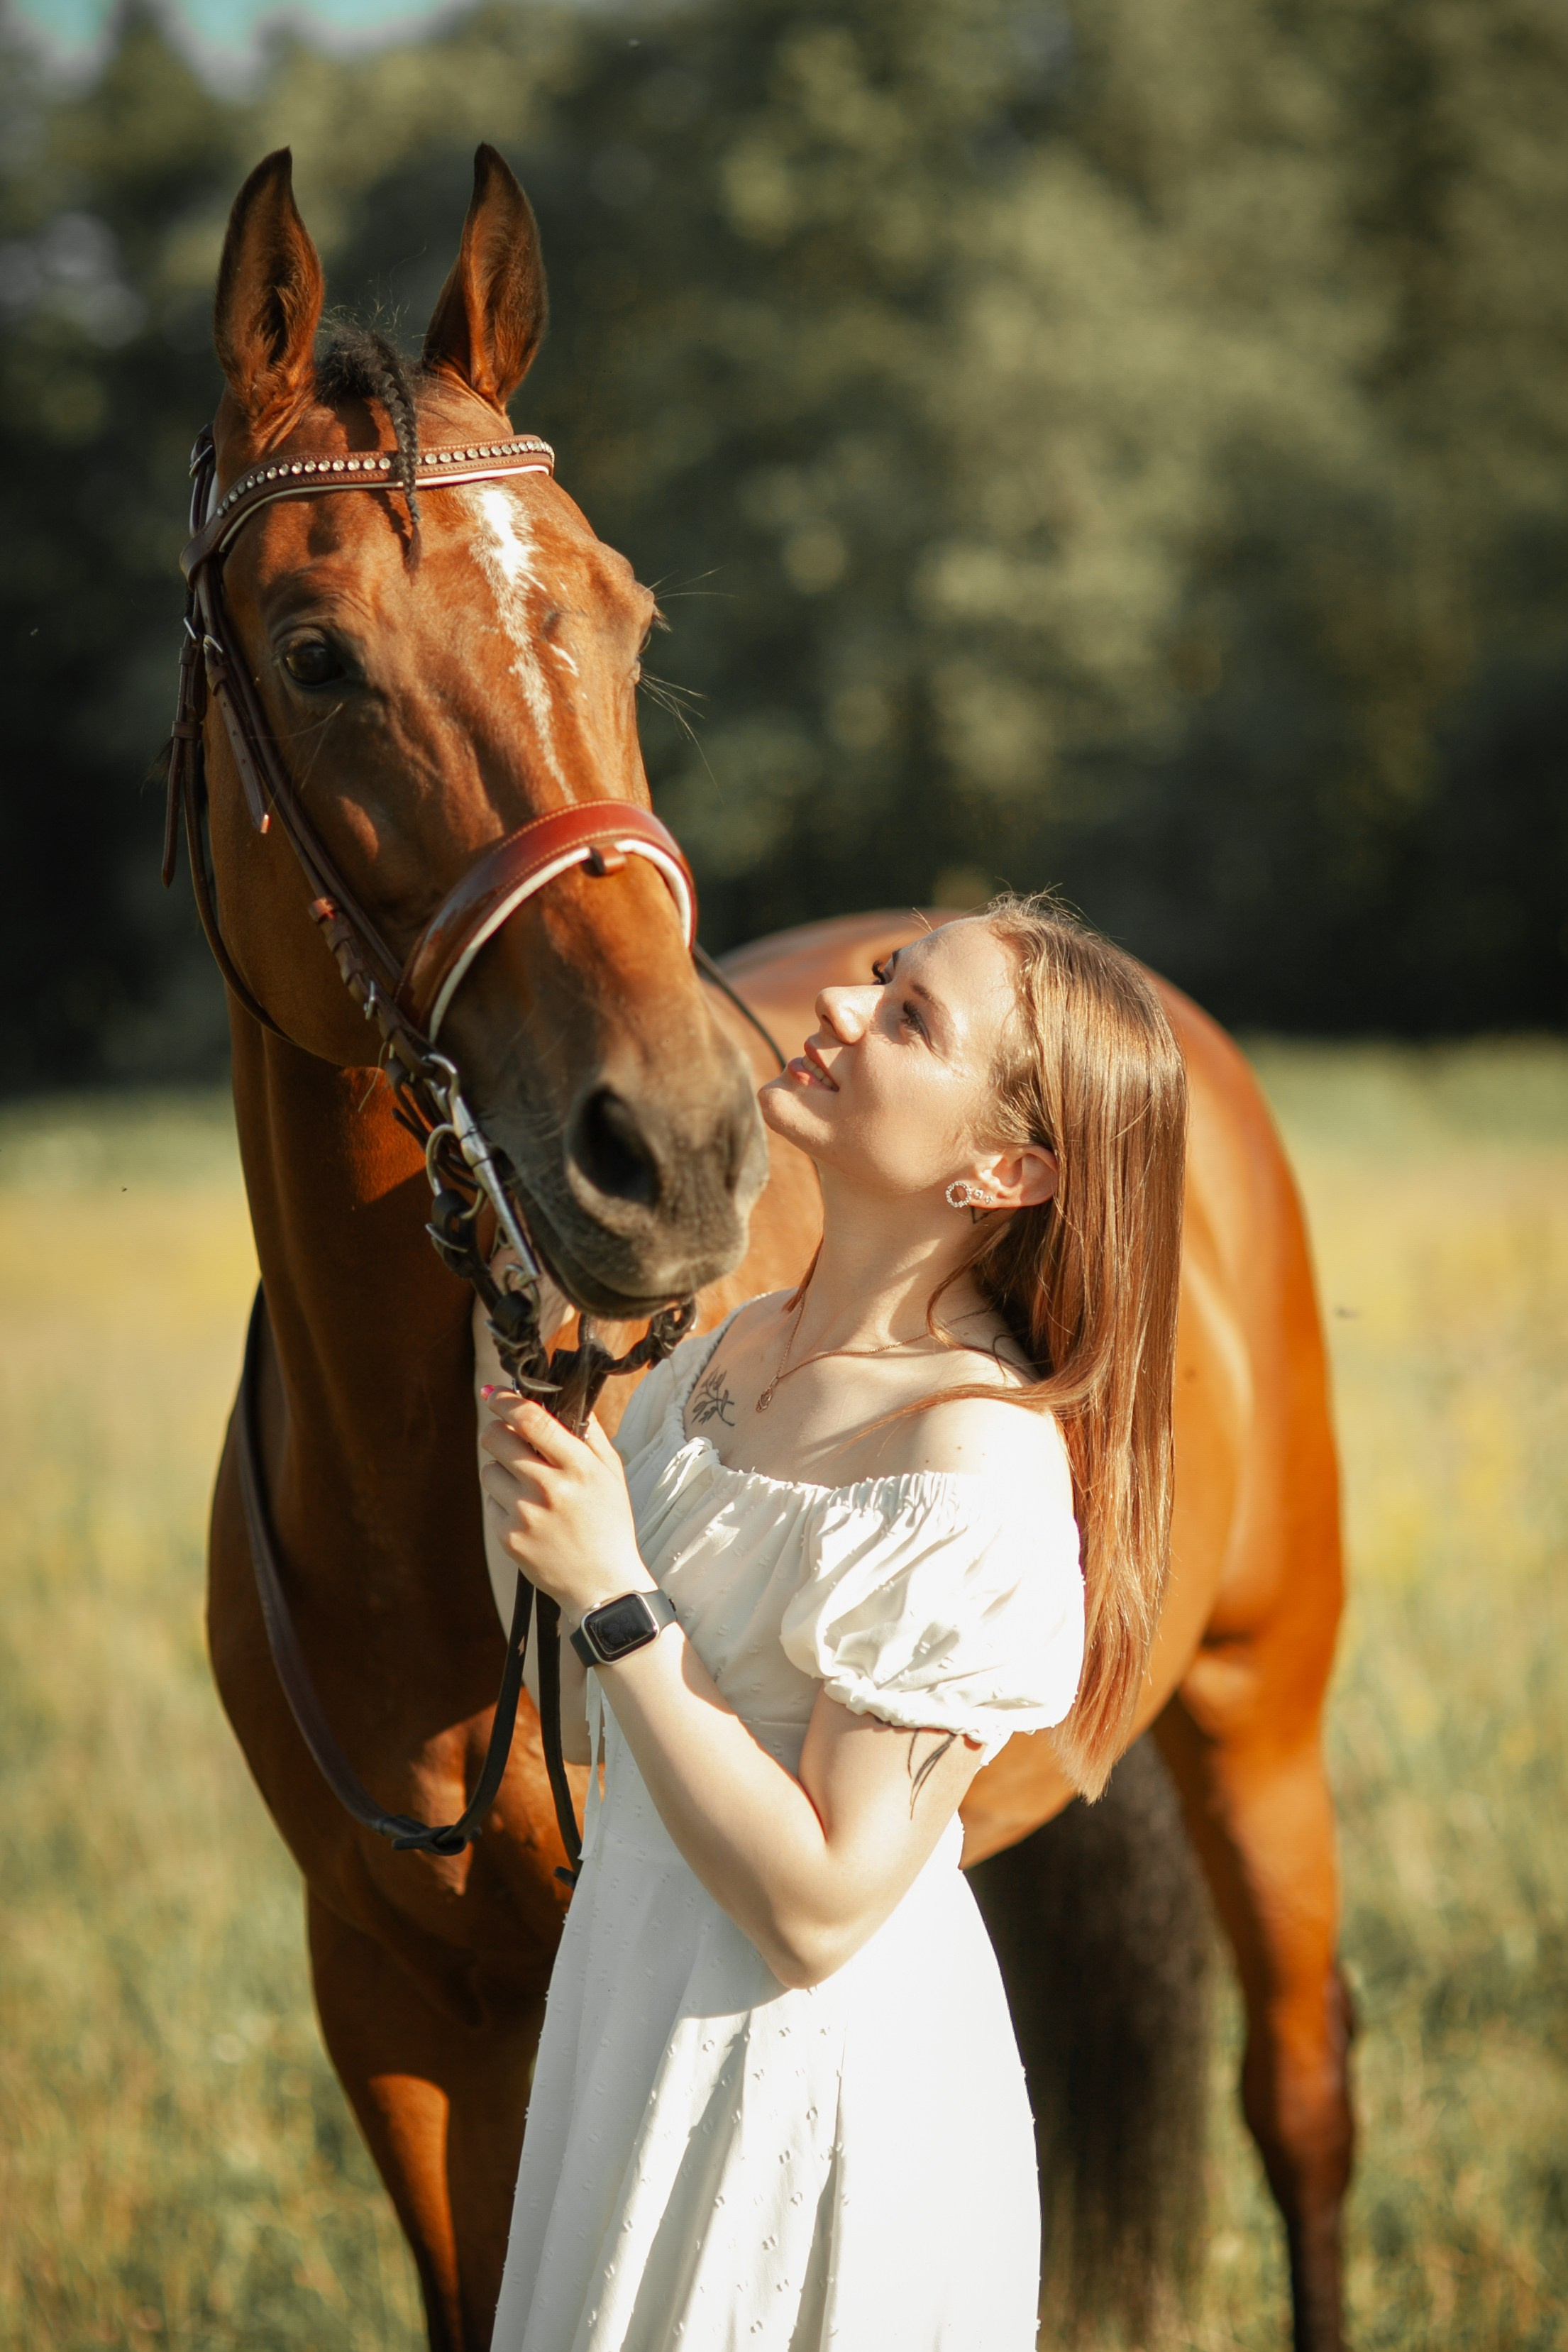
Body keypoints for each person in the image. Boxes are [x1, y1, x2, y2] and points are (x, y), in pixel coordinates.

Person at [477, 895, 1187, 2352]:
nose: (844, 1008)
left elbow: (818, 1905)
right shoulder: (735, 1346)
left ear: (1006, 1168)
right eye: (883, 976)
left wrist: (613, 1588)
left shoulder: (966, 1461)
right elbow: (585, 1706)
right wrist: (523, 1460)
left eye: (911, 1018)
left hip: (797, 2092)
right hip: (635, 2009)